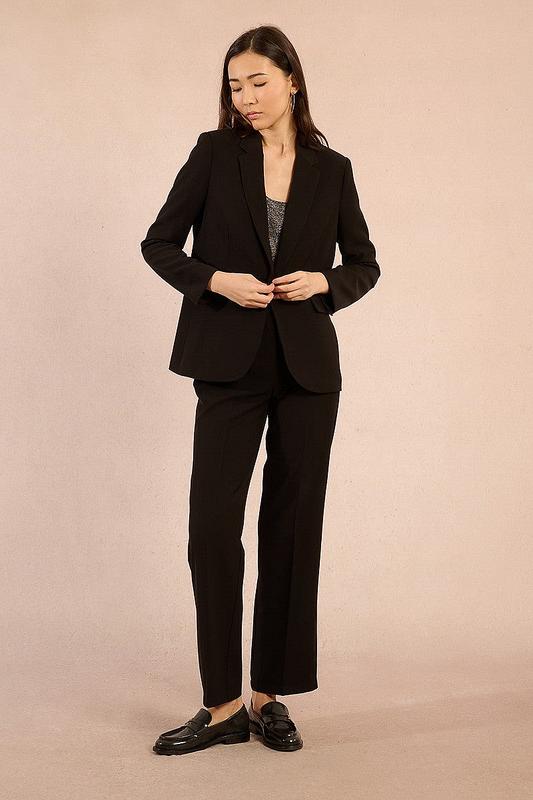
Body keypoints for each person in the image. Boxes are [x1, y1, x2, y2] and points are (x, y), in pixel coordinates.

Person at [140, 25, 380, 756]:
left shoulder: (331, 169)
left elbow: (364, 263)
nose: (244, 97)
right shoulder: (214, 155)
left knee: (291, 528)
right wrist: (215, 279)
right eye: (235, 85)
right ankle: (221, 706)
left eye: (258, 82)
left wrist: (325, 283)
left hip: (307, 370)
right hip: (228, 364)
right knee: (213, 528)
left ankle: (269, 696)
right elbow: (159, 243)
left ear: (292, 81)